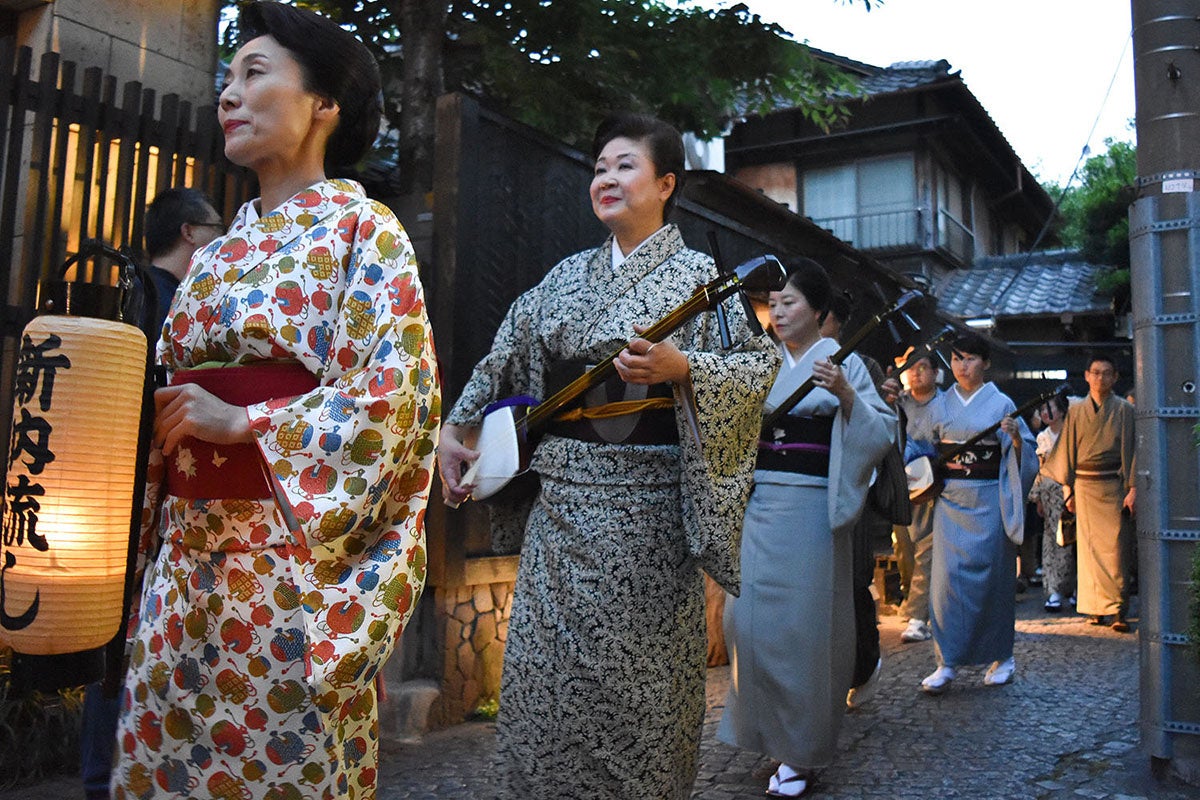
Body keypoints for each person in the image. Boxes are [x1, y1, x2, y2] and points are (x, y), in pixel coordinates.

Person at [110, 4, 441, 799]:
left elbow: (393, 402)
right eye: (226, 78)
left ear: (324, 103)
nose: (228, 94)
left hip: (288, 580)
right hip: (184, 570)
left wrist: (247, 422)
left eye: (254, 73)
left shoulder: (364, 231)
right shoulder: (214, 255)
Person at [437, 113, 777, 800]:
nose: (606, 179)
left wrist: (685, 367)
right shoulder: (566, 277)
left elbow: (757, 369)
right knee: (544, 685)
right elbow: (505, 353)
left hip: (647, 524)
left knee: (637, 695)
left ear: (666, 184)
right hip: (561, 512)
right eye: (599, 168)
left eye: (625, 165)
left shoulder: (701, 279)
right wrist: (457, 424)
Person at [719, 261, 894, 797]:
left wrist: (845, 394)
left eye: (790, 302)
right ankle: (771, 736)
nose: (777, 311)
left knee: (804, 632)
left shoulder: (845, 363)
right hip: (759, 506)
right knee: (748, 625)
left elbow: (880, 432)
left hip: (813, 510)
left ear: (818, 311)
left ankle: (800, 753)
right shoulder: (760, 362)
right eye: (772, 303)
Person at [80, 188, 224, 800]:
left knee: (125, 629)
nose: (224, 237)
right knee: (124, 629)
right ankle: (105, 774)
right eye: (215, 226)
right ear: (191, 232)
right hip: (142, 488)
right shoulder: (161, 298)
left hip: (133, 484)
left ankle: (111, 772)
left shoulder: (138, 292)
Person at [914, 333, 1037, 694]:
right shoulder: (940, 404)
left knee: (993, 582)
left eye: (970, 359)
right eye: (956, 359)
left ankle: (1002, 657)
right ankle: (947, 661)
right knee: (946, 584)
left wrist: (1016, 439)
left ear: (986, 363)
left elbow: (1026, 454)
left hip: (989, 500)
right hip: (950, 500)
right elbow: (918, 446)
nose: (962, 366)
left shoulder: (1001, 403)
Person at [817, 294, 888, 708]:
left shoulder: (863, 366)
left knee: (854, 579)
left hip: (849, 484)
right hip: (802, 489)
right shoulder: (781, 361)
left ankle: (863, 664)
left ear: (834, 321)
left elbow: (877, 428)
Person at [1042, 355, 1136, 631]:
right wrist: (1068, 489)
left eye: (1106, 373)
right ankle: (1094, 608)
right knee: (1088, 551)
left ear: (1115, 377)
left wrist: (1132, 488)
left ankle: (1117, 608)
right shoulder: (1076, 411)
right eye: (1095, 372)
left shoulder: (1124, 410)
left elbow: (1133, 451)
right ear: (1086, 376)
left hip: (1113, 485)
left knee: (1116, 549)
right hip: (1083, 485)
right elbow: (1067, 450)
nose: (1100, 378)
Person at [891, 352, 942, 643]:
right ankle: (915, 603)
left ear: (935, 372)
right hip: (901, 483)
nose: (916, 373)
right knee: (904, 545)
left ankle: (918, 616)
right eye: (911, 368)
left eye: (923, 368)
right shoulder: (898, 402)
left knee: (927, 548)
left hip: (933, 483)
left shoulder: (945, 403)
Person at [1029, 391, 1076, 612]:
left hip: (1073, 490)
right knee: (1052, 539)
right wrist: (1037, 496)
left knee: (1075, 540)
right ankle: (1053, 589)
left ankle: (1076, 587)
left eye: (1050, 407)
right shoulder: (1043, 437)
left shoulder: (1072, 432)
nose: (1045, 412)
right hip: (1050, 493)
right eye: (1042, 409)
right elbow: (1040, 468)